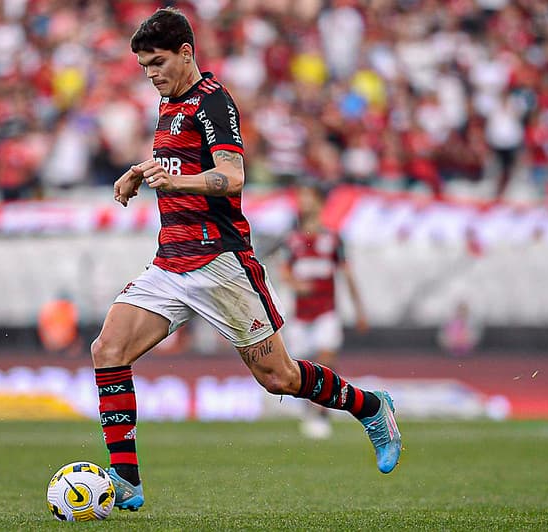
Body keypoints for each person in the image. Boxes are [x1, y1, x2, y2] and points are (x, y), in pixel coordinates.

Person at [91, 8, 401, 512]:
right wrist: (140, 171)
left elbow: (232, 176)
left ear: (186, 53)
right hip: (171, 261)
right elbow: (178, 161)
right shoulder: (168, 102)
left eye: (158, 63)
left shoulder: (214, 102)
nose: (151, 75)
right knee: (108, 349)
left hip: (220, 262)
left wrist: (176, 182)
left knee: (280, 378)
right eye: (144, 67)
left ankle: (370, 407)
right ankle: (126, 480)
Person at [279, 182, 368, 439]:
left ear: (319, 202)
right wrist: (296, 284)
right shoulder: (292, 239)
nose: (302, 202)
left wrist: (359, 310)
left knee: (326, 359)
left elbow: (347, 274)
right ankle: (311, 409)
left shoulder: (333, 239)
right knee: (301, 369)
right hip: (300, 315)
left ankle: (320, 414)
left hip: (326, 311)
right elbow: (284, 270)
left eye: (307, 196)